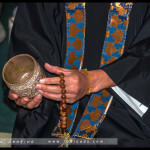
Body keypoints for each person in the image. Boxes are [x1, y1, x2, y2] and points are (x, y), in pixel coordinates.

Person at [6, 2, 150, 148]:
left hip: (125, 110)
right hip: (52, 110)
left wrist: (94, 80)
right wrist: (33, 87)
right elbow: (32, 34)